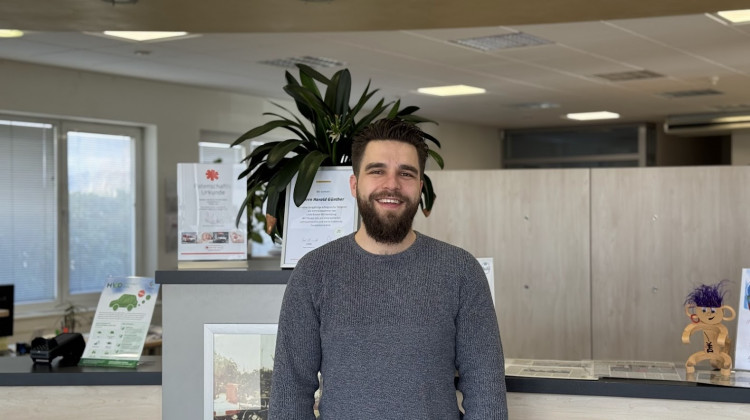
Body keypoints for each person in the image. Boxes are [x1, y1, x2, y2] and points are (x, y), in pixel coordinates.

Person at [269, 118, 508, 419]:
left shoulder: (461, 271)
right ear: (354, 184)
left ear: (420, 187)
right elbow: (289, 396)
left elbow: (486, 390)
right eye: (377, 171)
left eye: (405, 173)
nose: (392, 184)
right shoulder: (314, 273)